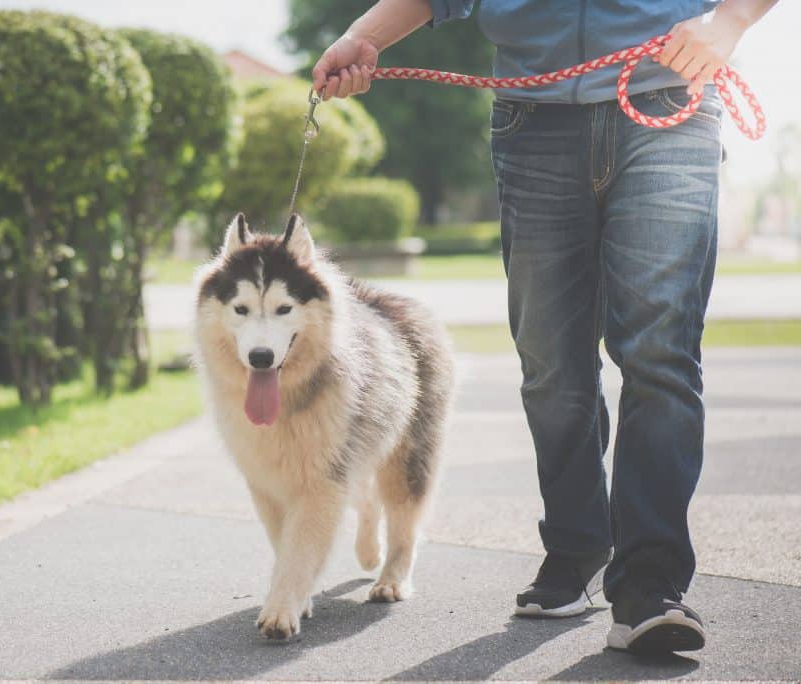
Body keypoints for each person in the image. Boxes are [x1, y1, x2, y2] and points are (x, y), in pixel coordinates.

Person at [312, 0, 778, 656]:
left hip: (669, 101)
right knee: (551, 363)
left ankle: (650, 584)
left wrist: (730, 20)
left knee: (660, 352)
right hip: (533, 122)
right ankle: (576, 544)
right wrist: (363, 36)